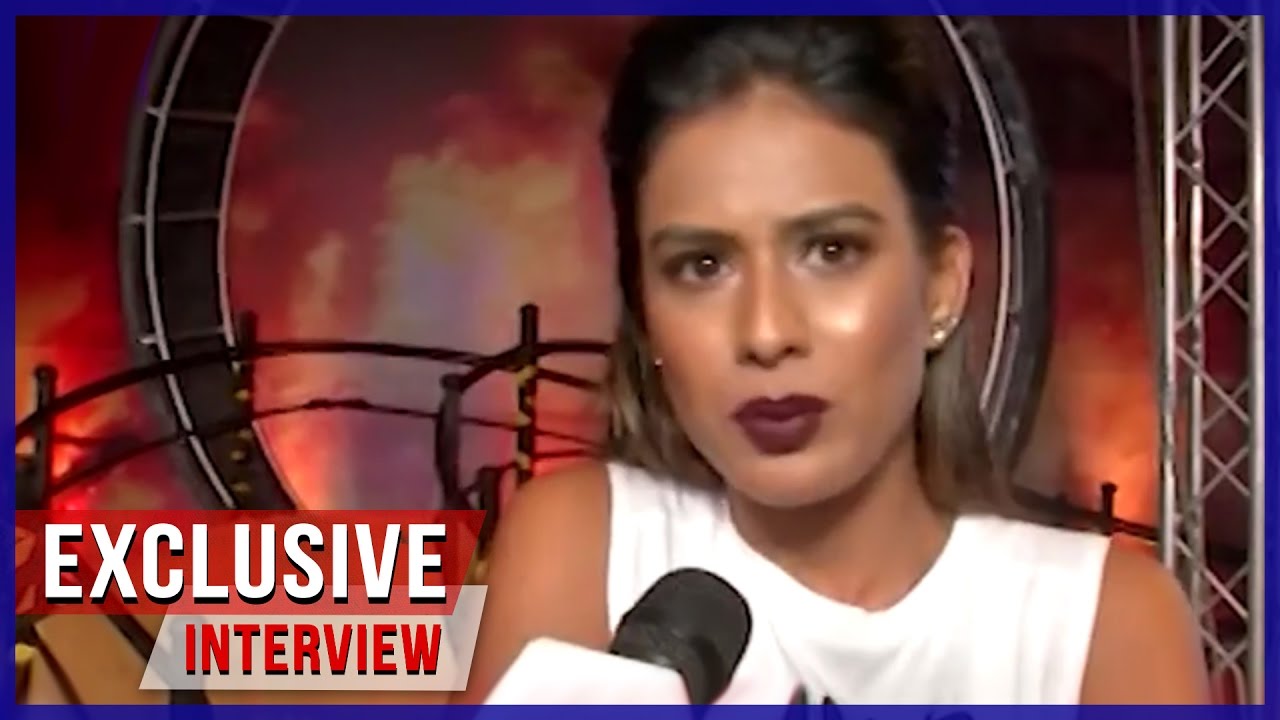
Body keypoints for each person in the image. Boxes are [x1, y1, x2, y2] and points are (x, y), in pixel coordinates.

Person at [456, 16, 1209, 704]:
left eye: (832, 251)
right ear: (645, 313)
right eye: (703, 265)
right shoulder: (582, 544)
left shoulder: (1100, 623)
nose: (766, 332)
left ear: (941, 285)